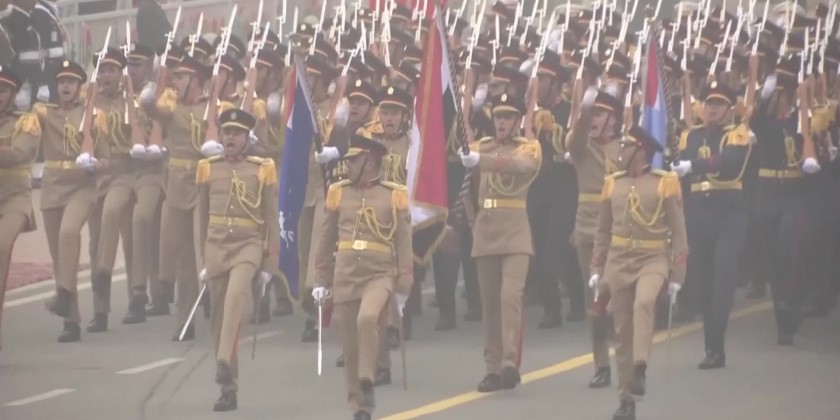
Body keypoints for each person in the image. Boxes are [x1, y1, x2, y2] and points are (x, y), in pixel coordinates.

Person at [311, 134, 413, 420]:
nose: (348, 166)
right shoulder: (338, 192)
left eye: (354, 160)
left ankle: (367, 377)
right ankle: (360, 406)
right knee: (350, 347)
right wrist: (320, 279)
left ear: (370, 161)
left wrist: (404, 282)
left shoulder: (393, 194)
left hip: (379, 274)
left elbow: (404, 241)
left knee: (367, 318)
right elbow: (325, 239)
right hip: (345, 275)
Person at [590, 126, 688, 420]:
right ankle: (626, 400)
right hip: (619, 261)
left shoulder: (664, 183)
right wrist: (596, 267)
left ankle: (640, 367)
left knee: (644, 303)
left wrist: (678, 275)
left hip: (653, 258)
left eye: (626, 146)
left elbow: (678, 232)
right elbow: (602, 231)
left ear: (641, 151)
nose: (620, 151)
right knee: (622, 334)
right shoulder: (613, 184)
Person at [195, 108, 280, 412]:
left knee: (235, 298)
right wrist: (202, 259)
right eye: (227, 132)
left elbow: (271, 218)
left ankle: (222, 358)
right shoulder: (208, 167)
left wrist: (270, 262)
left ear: (247, 138)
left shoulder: (262, 168)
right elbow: (201, 218)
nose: (230, 137)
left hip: (248, 245)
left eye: (237, 133)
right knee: (219, 319)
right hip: (217, 247)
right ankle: (228, 388)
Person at [460, 92, 541, 392]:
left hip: (516, 232)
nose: (502, 123)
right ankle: (492, 368)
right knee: (490, 304)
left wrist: (482, 160)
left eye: (508, 117)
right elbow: (463, 170)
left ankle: (509, 363)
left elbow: (521, 167)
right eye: (498, 117)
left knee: (510, 297)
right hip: (486, 231)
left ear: (518, 121)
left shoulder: (528, 148)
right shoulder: (482, 146)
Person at [672, 80, 752, 369]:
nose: (713, 109)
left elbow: (729, 162)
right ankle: (711, 347)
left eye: (719, 104)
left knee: (722, 281)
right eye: (709, 104)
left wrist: (693, 166)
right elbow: (679, 174)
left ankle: (717, 345)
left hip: (728, 214)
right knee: (703, 283)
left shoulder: (737, 134)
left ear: (730, 109)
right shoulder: (690, 136)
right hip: (698, 214)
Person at [140, 53, 213, 341]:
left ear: (196, 80)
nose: (176, 81)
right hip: (178, 187)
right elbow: (153, 110)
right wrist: (149, 93)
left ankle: (219, 305)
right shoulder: (173, 108)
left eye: (182, 77)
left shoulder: (213, 108)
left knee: (204, 251)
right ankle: (186, 318)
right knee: (183, 256)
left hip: (205, 187)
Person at [38, 60, 109, 342]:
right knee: (60, 257)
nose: (65, 86)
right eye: (61, 82)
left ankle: (64, 294)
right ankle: (71, 321)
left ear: (80, 86)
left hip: (81, 187)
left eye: (71, 82)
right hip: (52, 188)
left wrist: (94, 164)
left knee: (69, 232)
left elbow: (106, 158)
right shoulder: (45, 114)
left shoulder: (93, 115)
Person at [566, 87, 622, 388]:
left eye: (601, 113)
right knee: (595, 298)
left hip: (620, 228)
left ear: (613, 118)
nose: (596, 119)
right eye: (594, 113)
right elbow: (574, 139)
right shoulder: (582, 147)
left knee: (617, 294)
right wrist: (584, 111)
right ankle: (601, 365)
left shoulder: (625, 148)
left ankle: (627, 357)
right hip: (588, 228)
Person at [85, 47, 136, 333]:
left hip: (124, 172)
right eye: (102, 70)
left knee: (113, 213)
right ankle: (100, 310)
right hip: (95, 176)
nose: (106, 75)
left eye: (112, 70)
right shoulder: (88, 103)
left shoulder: (131, 102)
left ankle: (115, 278)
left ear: (121, 73)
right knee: (95, 242)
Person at [123, 43, 166, 325]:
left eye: (137, 64)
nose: (131, 70)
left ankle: (140, 292)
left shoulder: (160, 94)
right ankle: (149, 293)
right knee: (133, 235)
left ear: (150, 67)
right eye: (129, 64)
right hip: (123, 172)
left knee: (143, 220)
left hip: (155, 170)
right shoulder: (119, 95)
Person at [0, 64, 39, 350]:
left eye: (2, 90)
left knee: (1, 247)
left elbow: (18, 154)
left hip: (14, 198)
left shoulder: (26, 121)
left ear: (13, 95)